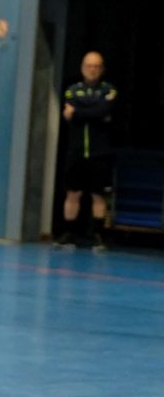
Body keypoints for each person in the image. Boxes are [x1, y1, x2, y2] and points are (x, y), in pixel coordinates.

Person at [56, 51, 117, 250]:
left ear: (102, 69)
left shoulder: (109, 90)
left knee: (98, 195)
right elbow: (72, 113)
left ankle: (98, 236)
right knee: (73, 193)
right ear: (82, 68)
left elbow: (103, 110)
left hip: (100, 152)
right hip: (76, 151)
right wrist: (94, 112)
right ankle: (68, 234)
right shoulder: (72, 90)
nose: (93, 70)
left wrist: (79, 112)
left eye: (97, 66)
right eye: (89, 66)